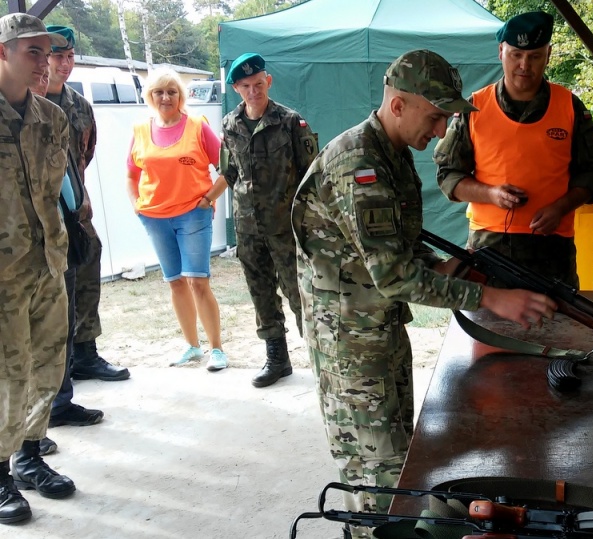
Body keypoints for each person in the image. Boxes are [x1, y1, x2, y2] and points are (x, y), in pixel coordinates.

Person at [292, 49, 557, 526]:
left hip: (377, 328)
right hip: (351, 343)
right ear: (398, 105)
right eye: (435, 117)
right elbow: (395, 277)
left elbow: (400, 253)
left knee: (397, 467)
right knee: (378, 484)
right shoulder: (361, 165)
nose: (439, 132)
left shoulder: (390, 154)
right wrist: (491, 297)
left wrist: (456, 266)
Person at [434, 11, 593, 288]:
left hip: (553, 249)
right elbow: (448, 175)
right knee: (487, 326)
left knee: (558, 326)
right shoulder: (474, 109)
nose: (524, 65)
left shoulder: (569, 107)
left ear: (548, 55)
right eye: (516, 54)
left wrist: (561, 206)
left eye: (535, 56)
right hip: (489, 247)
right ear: (500, 51)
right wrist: (490, 194)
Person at [0, 13, 77, 525]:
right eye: (33, 51)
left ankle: (29, 455)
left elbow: (56, 188)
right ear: (2, 52)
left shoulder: (53, 117)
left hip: (47, 264)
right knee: (7, 375)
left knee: (47, 366)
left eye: (47, 52)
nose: (44, 62)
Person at [220, 53, 318, 388]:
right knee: (260, 291)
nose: (253, 91)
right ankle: (277, 359)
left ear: (268, 81)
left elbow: (312, 175)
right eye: (246, 86)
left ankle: (322, 359)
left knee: (300, 292)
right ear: (236, 88)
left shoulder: (291, 122)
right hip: (248, 228)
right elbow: (230, 172)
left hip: (287, 225)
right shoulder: (230, 125)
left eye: (258, 83)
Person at [127, 68, 230, 371]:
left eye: (172, 91)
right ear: (150, 96)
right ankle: (192, 347)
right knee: (175, 283)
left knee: (198, 281)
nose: (165, 97)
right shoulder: (140, 130)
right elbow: (131, 175)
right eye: (159, 92)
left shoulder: (198, 126)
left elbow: (228, 168)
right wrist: (136, 206)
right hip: (155, 218)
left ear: (181, 96)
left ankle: (217, 349)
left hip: (192, 214)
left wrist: (209, 199)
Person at [46, 24, 130, 383]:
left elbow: (85, 154)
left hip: (77, 213)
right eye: (57, 57)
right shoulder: (28, 102)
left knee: (87, 275)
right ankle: (57, 369)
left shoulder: (79, 106)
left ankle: (85, 354)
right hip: (40, 216)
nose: (65, 64)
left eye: (70, 57)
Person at [28, 65, 104, 460]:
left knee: (57, 333)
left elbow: (76, 168)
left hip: (61, 239)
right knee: (23, 348)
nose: (45, 70)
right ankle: (23, 446)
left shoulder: (54, 119)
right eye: (35, 58)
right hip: (19, 254)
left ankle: (55, 408)